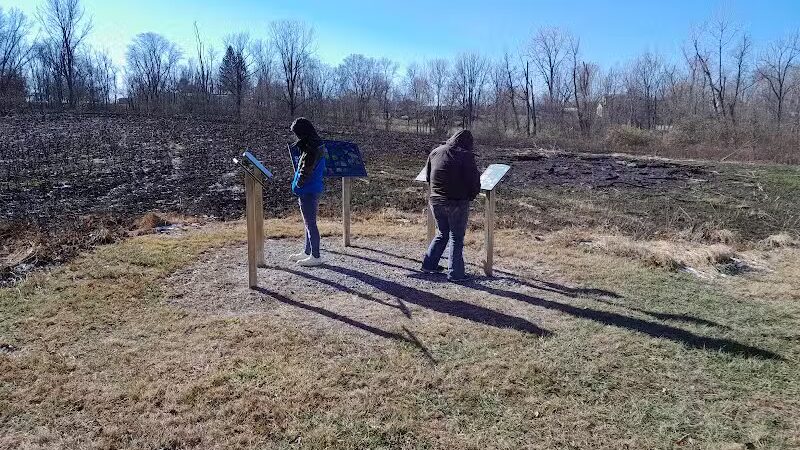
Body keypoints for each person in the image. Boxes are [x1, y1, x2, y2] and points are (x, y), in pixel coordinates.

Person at [421, 129, 481, 282]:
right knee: (456, 237)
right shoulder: (466, 156)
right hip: (457, 201)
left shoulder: (436, 151)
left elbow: (428, 176)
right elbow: (473, 180)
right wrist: (472, 195)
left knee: (442, 233)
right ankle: (456, 274)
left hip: (435, 199)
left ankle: (428, 265)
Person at [289, 117, 327, 267]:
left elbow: (305, 171)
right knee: (308, 223)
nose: (296, 137)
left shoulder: (311, 149)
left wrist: (298, 185)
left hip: (308, 190)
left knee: (311, 224)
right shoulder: (315, 144)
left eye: (296, 133)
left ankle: (315, 256)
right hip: (311, 188)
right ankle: (307, 251)